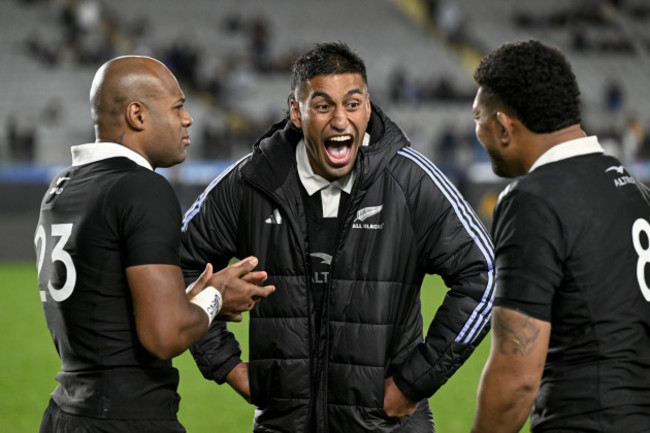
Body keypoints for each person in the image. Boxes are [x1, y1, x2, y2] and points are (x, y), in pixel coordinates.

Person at [180, 42, 495, 433]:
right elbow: (178, 263)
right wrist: (225, 364)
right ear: (297, 112)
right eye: (323, 105)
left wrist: (414, 383)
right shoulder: (251, 182)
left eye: (353, 103)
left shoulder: (409, 180)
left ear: (368, 107)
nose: (341, 120)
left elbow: (483, 276)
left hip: (388, 426)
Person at [34, 55, 275, 433]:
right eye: (177, 106)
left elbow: (110, 301)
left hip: (65, 414)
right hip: (126, 417)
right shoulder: (141, 187)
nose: (188, 118)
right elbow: (163, 336)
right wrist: (215, 299)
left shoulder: (63, 186)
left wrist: (191, 298)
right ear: (137, 115)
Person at [470, 40, 650, 432]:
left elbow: (517, 378)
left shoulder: (532, 201)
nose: (477, 131)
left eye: (478, 119)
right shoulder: (634, 190)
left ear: (503, 126)